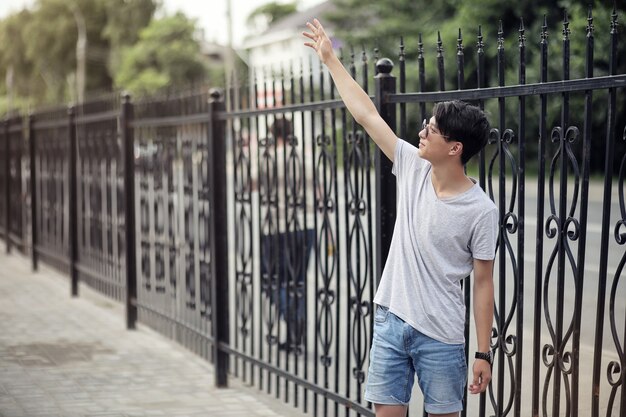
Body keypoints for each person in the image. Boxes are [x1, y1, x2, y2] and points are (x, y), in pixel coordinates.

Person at [303, 19, 498, 417]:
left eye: (434, 129)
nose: (423, 131)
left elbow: (482, 283)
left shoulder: (481, 210)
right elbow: (368, 115)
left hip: (440, 337)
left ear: (455, 147)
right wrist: (330, 61)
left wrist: (483, 352)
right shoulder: (413, 167)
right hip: (391, 322)